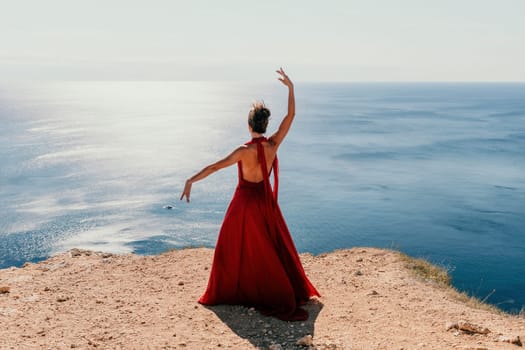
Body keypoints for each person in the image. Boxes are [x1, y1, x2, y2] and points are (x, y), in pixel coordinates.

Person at [180, 68, 320, 321]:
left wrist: (191, 180)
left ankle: (235, 291)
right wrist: (291, 88)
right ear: (265, 125)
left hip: (244, 203)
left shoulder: (241, 151)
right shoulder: (273, 144)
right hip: (265, 203)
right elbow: (291, 115)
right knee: (272, 247)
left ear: (248, 125)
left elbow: (214, 167)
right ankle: (275, 288)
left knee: (232, 247)